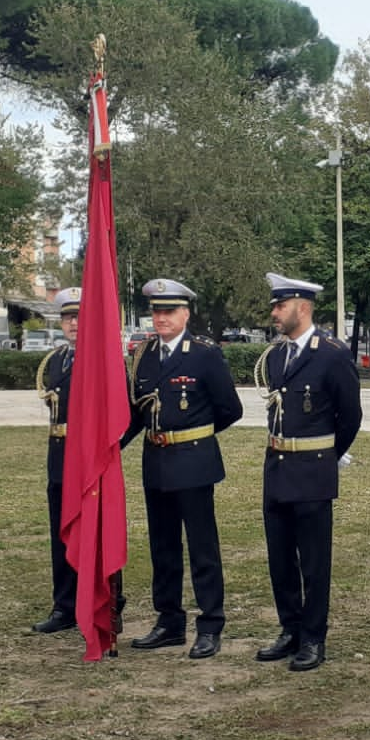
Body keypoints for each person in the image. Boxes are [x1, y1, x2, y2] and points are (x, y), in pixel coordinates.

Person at [123, 278, 243, 658]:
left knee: (202, 547)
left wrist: (197, 436)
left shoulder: (204, 354)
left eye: (169, 311)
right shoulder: (143, 355)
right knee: (163, 546)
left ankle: (210, 624)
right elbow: (138, 412)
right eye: (156, 311)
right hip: (156, 462)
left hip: (193, 462)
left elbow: (230, 409)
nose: (161, 318)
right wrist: (111, 446)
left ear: (185, 314)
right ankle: (169, 621)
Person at [253, 274, 363, 672]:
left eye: (280, 306)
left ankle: (314, 638)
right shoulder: (278, 356)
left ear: (303, 306)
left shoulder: (331, 353)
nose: (274, 313)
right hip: (278, 469)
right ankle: (290, 629)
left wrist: (328, 455)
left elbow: (350, 415)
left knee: (314, 563)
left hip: (313, 473)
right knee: (280, 559)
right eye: (274, 306)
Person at [29, 288, 82, 634]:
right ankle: (64, 606)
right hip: (59, 458)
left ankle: (97, 601)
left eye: (79, 317)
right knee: (60, 535)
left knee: (89, 534)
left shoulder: (102, 360)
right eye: (67, 317)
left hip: (86, 462)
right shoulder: (58, 360)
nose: (74, 323)